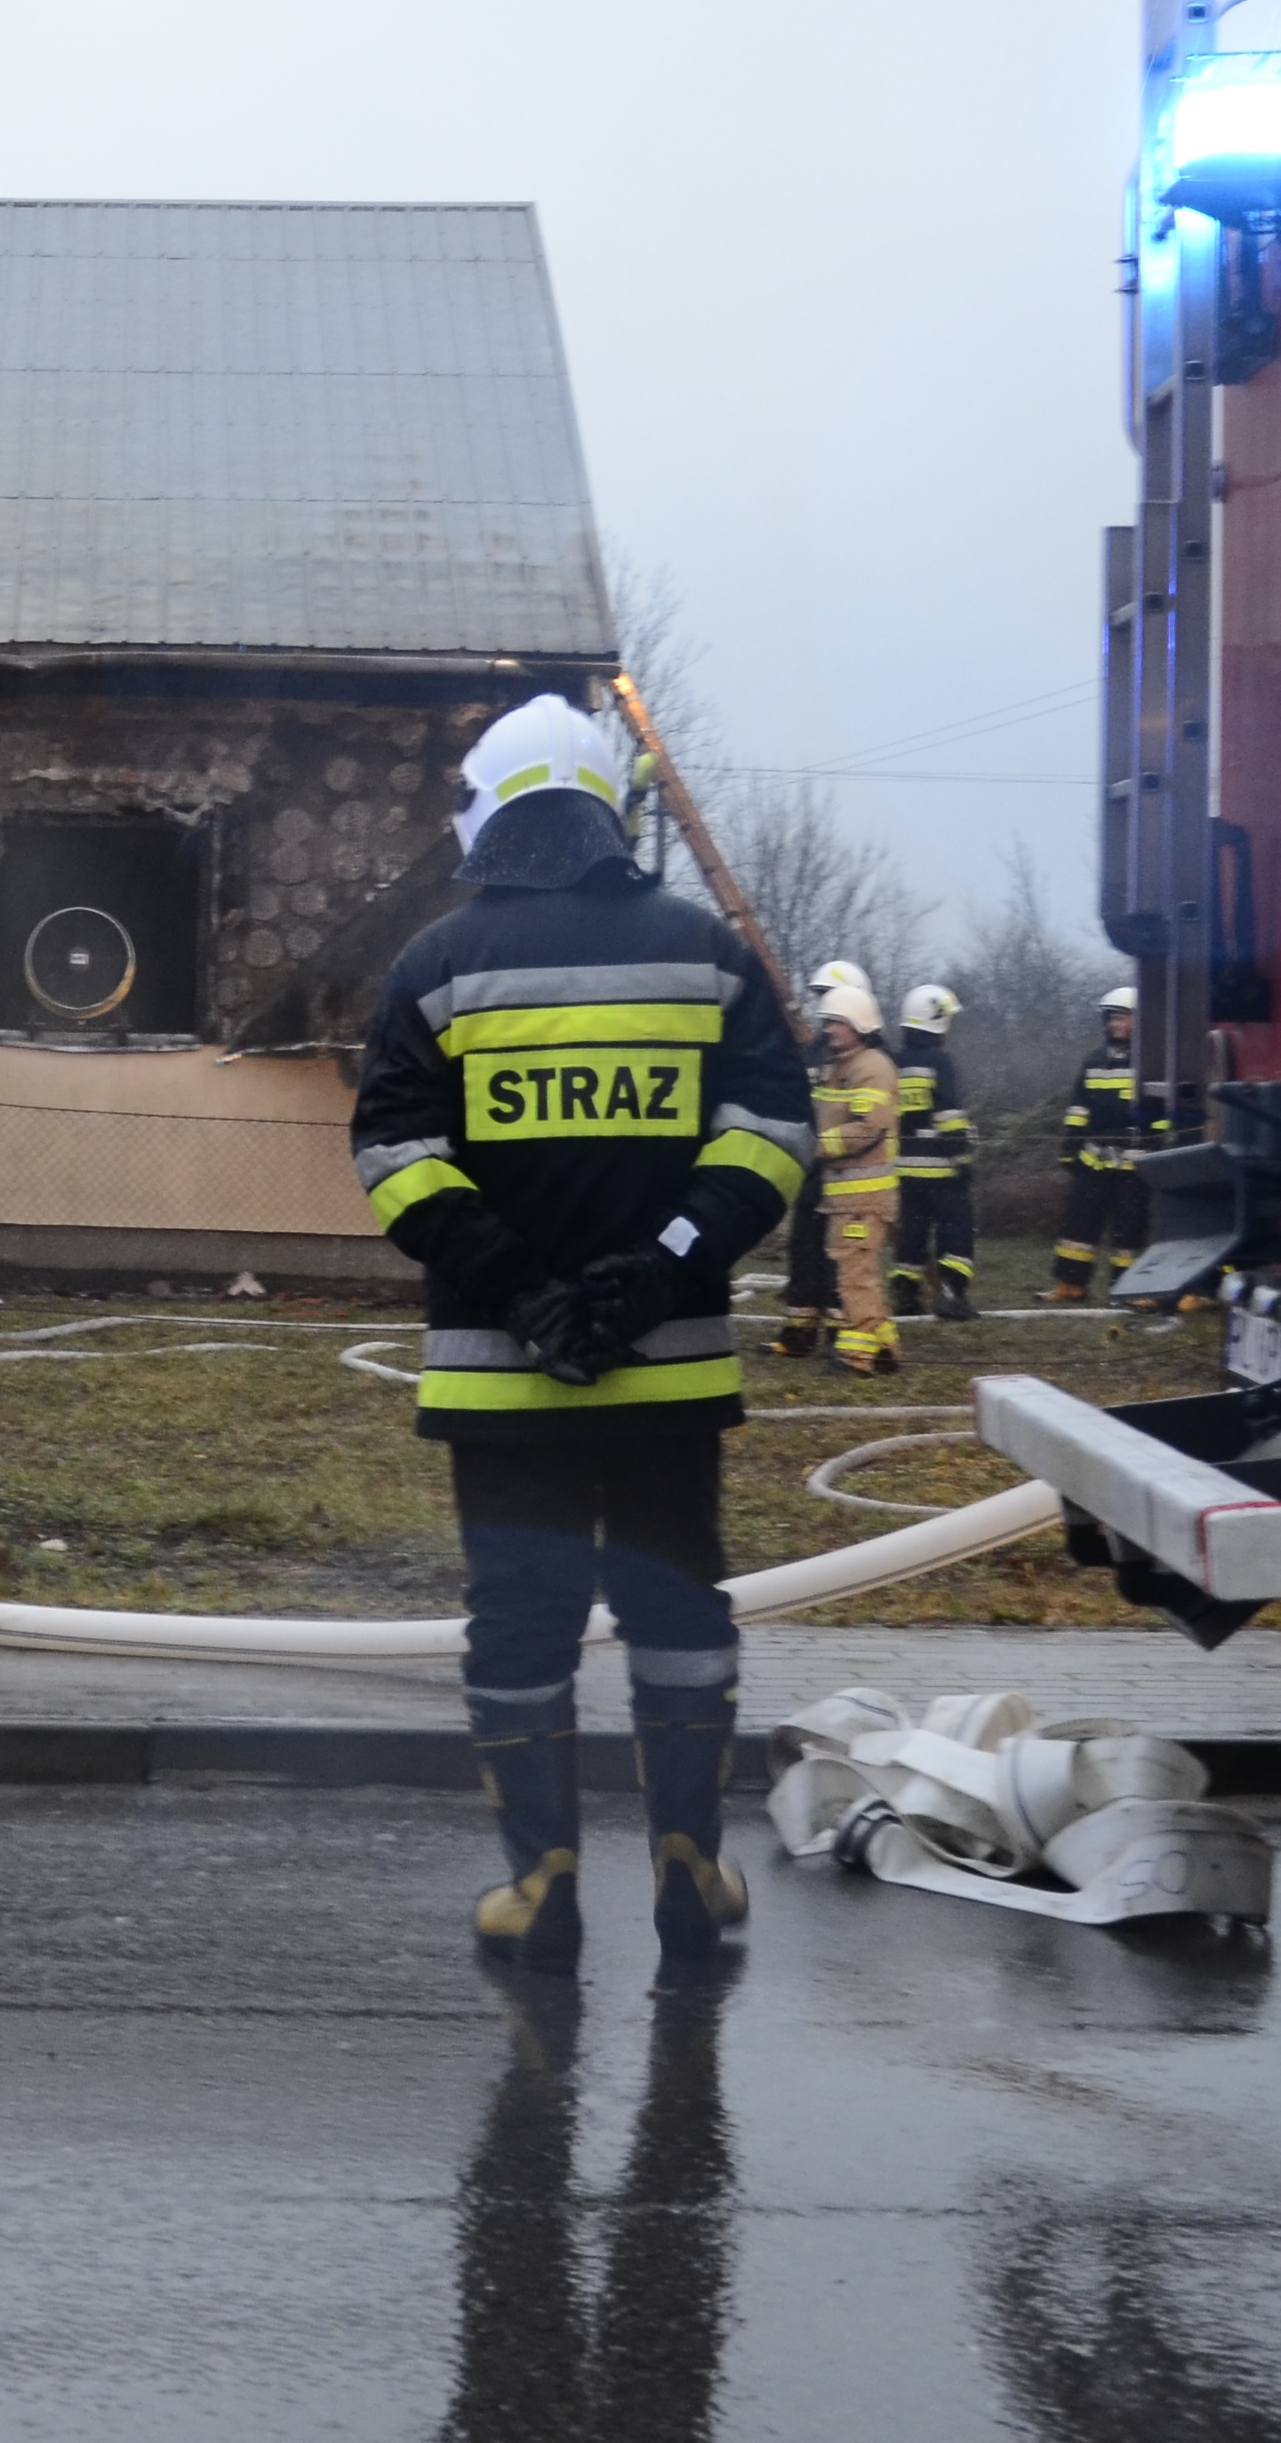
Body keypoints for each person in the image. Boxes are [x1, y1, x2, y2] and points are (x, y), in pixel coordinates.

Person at [353, 694, 813, 1969]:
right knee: (676, 1610)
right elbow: (772, 1137)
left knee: (519, 1624)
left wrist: (513, 1285)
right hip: (668, 1373)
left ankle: (539, 1886)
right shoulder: (706, 955)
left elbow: (394, 1154)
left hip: (502, 1382)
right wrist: (657, 1272)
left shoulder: (433, 967)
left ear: (490, 813)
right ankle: (689, 1863)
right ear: (608, 811)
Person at [790, 972, 905, 1378]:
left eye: (836, 1023)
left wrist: (814, 1146)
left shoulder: (871, 1068)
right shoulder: (841, 1066)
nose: (829, 1031)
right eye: (827, 1022)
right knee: (861, 1274)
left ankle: (857, 1356)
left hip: (862, 1197)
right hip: (845, 1196)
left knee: (854, 1277)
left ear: (859, 1024)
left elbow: (867, 1128)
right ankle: (885, 1349)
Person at [761, 955, 869, 1359]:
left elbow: (872, 1124)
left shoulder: (868, 1059)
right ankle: (799, 1331)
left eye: (832, 998)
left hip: (851, 1175)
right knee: (804, 1246)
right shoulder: (810, 1054)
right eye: (822, 998)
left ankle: (846, 1333)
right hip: (811, 1170)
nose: (825, 1008)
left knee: (842, 1255)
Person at [1050, 984, 1155, 1302]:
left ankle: (1128, 1287)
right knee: (1078, 1226)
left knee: (1130, 1229)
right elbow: (1079, 1108)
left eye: (1122, 1018)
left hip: (1136, 1161)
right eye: (1111, 1019)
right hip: (1093, 1158)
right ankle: (1071, 1284)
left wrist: (1162, 1148)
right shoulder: (1094, 1061)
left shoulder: (1152, 1060)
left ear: (1139, 1021)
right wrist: (1070, 1148)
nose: (1115, 1025)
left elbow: (1162, 1113)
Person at [887, 981, 980, 1322]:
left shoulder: (893, 1062)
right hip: (941, 1169)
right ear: (935, 1020)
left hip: (904, 1169)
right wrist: (963, 1157)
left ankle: (906, 1296)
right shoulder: (939, 1061)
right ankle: (951, 1295)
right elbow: (949, 1115)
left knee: (912, 1234)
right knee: (957, 1230)